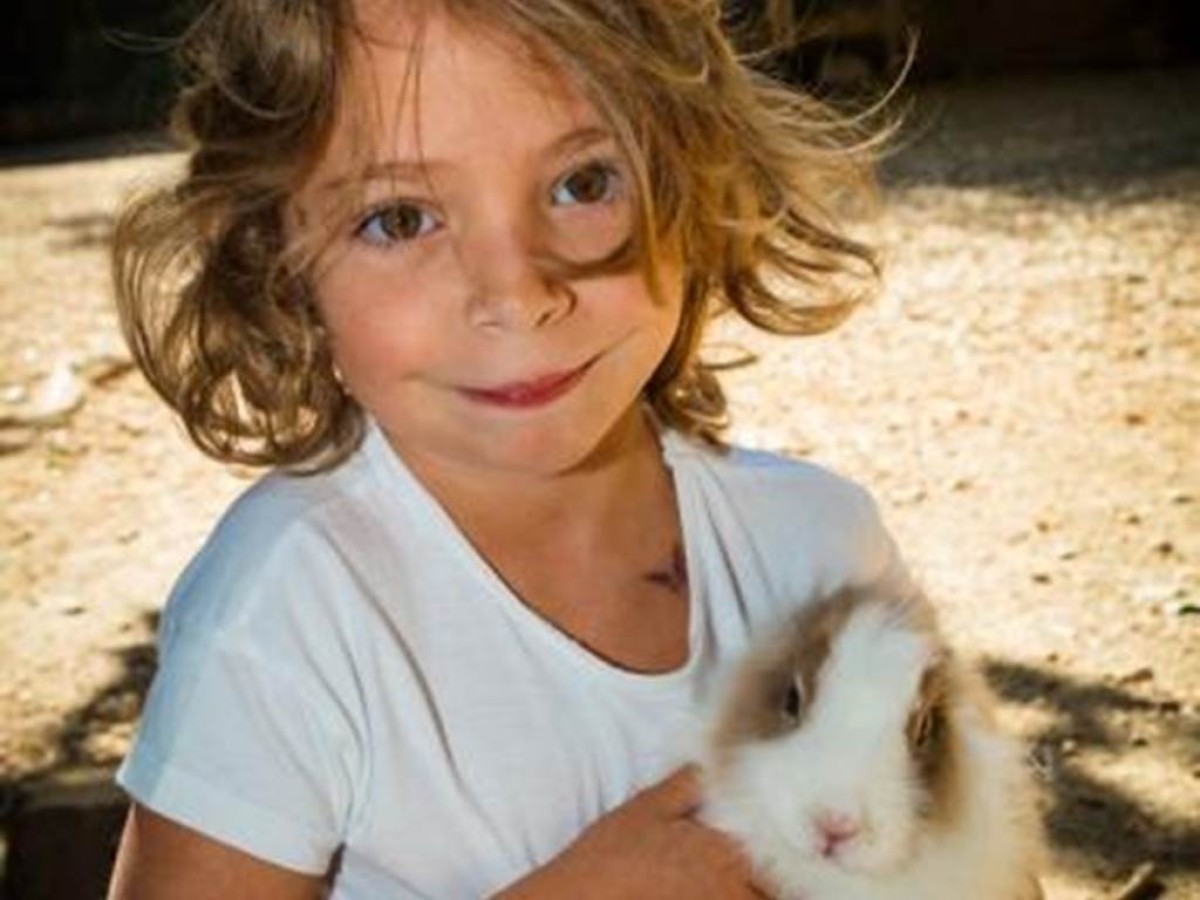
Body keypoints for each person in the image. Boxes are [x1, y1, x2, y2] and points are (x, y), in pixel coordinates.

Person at [106, 0, 906, 896]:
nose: (517, 294)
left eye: (585, 183)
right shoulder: (285, 611)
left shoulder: (822, 547)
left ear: (696, 178)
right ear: (274, 260)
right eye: (400, 219)